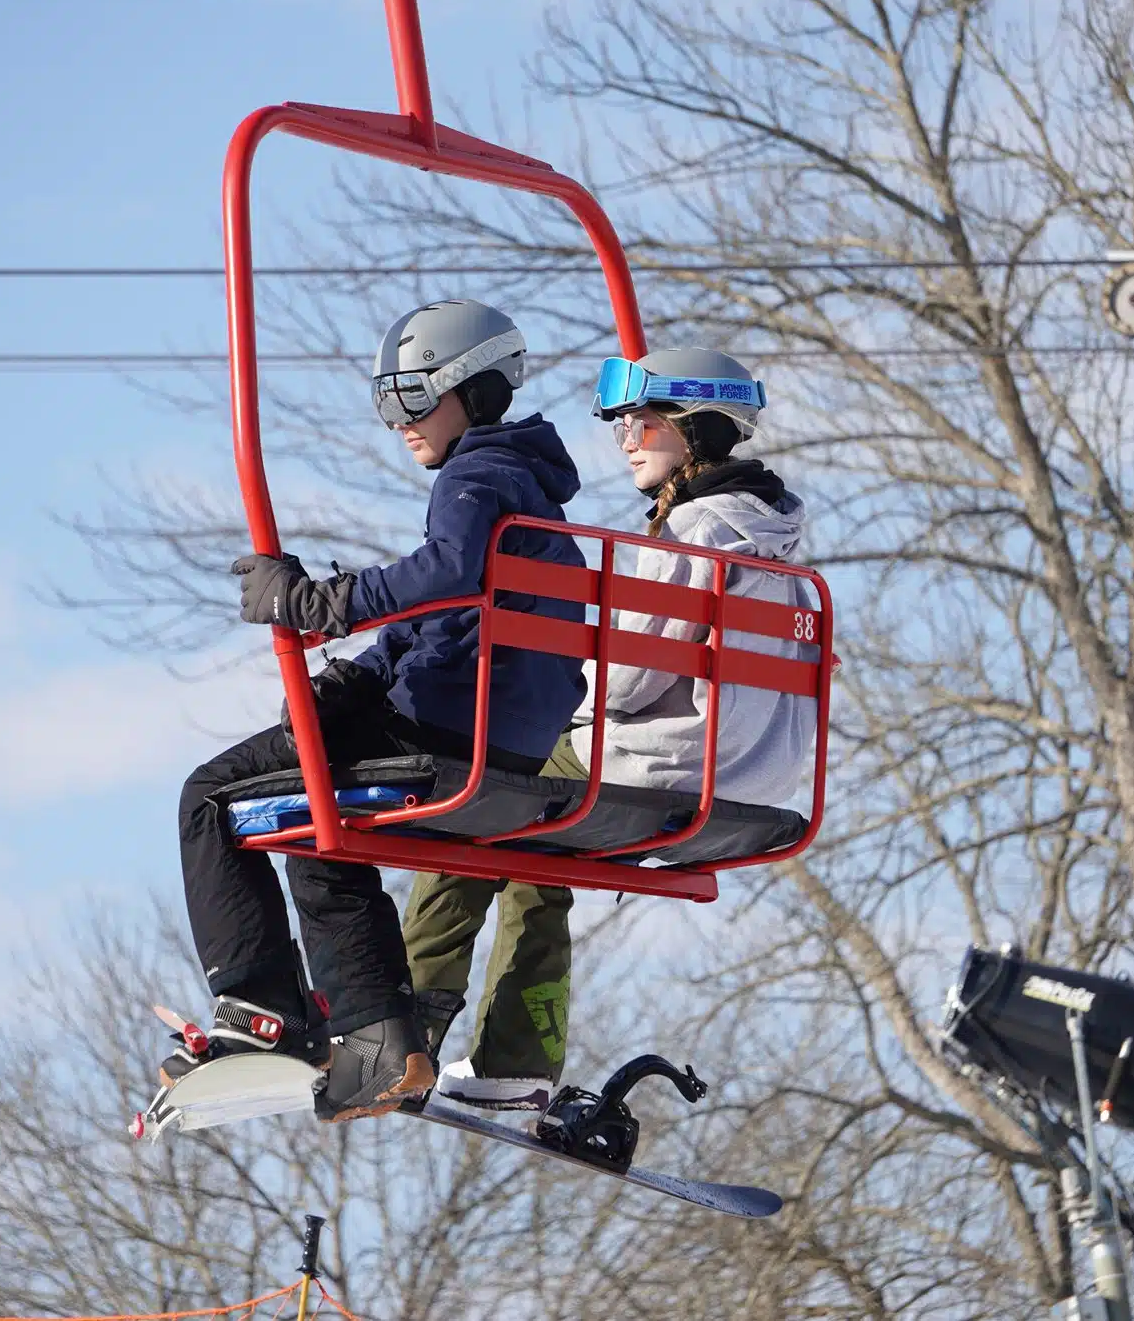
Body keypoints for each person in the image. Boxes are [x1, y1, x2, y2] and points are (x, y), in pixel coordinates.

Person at [164, 298, 588, 1123]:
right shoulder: (531, 500)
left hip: (447, 734)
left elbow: (448, 572)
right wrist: (355, 679)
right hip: (505, 740)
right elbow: (451, 623)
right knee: (311, 805)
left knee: (211, 796)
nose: (400, 422)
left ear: (479, 393)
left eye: (416, 398)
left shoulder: (475, 480)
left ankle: (270, 1012)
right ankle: (374, 1030)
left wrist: (327, 601)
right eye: (388, 403)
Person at [400, 347, 815, 1112]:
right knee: (534, 837)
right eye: (623, 421)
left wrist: (552, 691)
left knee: (476, 800)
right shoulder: (775, 543)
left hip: (666, 764)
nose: (627, 437)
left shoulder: (691, 536)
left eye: (646, 421)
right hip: (754, 779)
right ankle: (514, 1059)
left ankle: (396, 1031)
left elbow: (623, 680)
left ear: (698, 431)